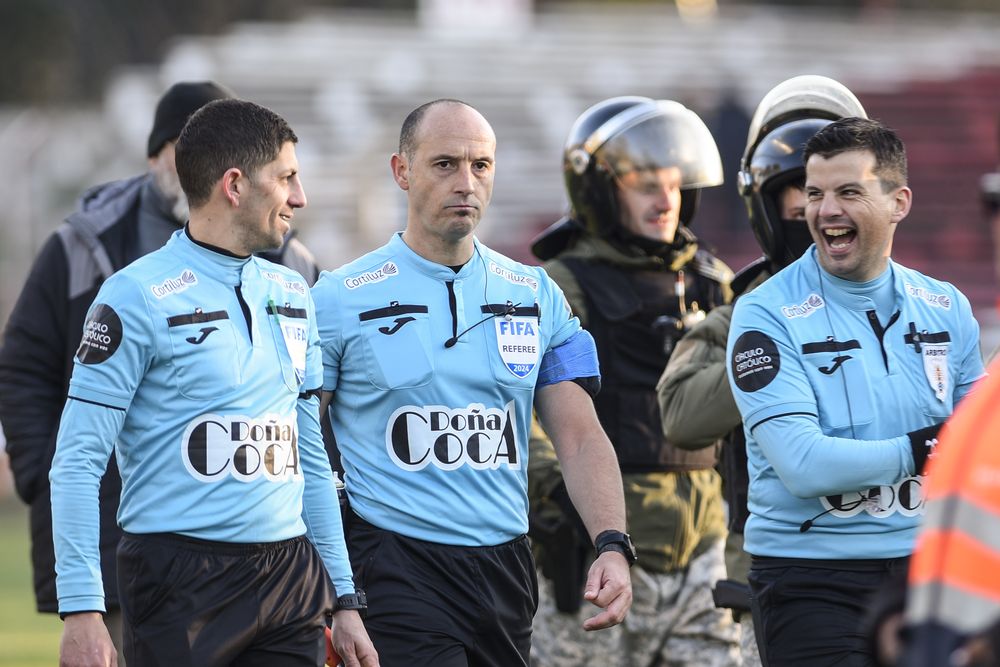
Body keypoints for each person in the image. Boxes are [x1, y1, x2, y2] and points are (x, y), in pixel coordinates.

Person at [0, 80, 320, 665]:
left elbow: (311, 440)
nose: (298, 196)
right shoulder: (95, 254)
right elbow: (31, 379)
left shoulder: (291, 273)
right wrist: (39, 481)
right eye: (177, 146)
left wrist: (340, 593)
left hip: (283, 569)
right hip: (151, 546)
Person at [312, 98, 632, 667]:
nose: (466, 182)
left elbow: (580, 437)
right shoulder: (340, 296)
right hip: (394, 565)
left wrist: (611, 543)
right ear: (401, 171)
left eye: (480, 165)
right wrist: (334, 586)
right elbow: (301, 440)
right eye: (445, 164)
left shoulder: (535, 294)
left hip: (506, 567)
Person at [724, 116, 985, 666]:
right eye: (815, 193)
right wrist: (930, 448)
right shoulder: (764, 314)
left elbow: (983, 448)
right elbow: (804, 464)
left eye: (849, 192)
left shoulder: (947, 305)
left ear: (899, 202)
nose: (825, 211)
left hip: (929, 573)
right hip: (812, 581)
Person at [656, 74, 869, 667]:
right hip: (781, 582)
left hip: (889, 567)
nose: (821, 212)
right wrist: (781, 337)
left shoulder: (912, 304)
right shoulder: (741, 314)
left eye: (840, 192)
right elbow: (682, 415)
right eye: (801, 196)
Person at [526, 96, 739, 667]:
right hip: (597, 554)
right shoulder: (561, 286)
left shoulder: (714, 284)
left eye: (673, 182)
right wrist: (560, 506)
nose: (664, 199)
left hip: (704, 553)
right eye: (645, 183)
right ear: (601, 190)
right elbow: (526, 413)